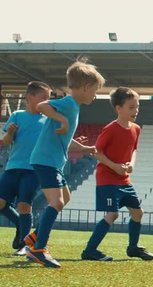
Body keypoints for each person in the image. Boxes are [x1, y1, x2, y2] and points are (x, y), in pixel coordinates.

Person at [24, 61, 104, 268]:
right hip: (46, 160)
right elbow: (41, 106)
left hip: (53, 161)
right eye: (95, 91)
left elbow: (65, 139)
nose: (95, 96)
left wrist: (84, 149)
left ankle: (34, 238)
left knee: (65, 198)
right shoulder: (68, 103)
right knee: (57, 202)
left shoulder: (73, 107)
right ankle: (39, 249)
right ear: (85, 87)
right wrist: (62, 119)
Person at [81, 87, 153, 261]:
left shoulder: (136, 128)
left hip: (124, 180)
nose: (135, 110)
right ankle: (89, 251)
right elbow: (96, 152)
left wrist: (131, 165)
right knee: (112, 214)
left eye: (137, 106)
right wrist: (114, 166)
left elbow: (134, 150)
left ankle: (133, 248)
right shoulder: (110, 129)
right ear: (118, 108)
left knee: (138, 213)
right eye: (131, 107)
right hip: (107, 180)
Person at [0, 81, 51, 255]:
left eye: (48, 99)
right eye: (43, 98)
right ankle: (20, 227)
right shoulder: (17, 115)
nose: (47, 102)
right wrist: (10, 133)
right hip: (12, 167)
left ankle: (24, 244)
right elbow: (6, 142)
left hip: (33, 170)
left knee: (24, 206)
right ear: (30, 97)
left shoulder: (48, 120)